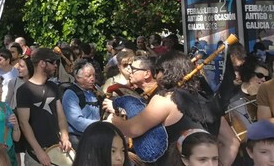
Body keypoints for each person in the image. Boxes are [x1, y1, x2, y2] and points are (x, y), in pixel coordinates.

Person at [106, 50, 239, 166]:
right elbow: (232, 143)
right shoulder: (207, 100)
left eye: (157, 71)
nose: (156, 76)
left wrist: (115, 120)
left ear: (165, 72)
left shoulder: (166, 99)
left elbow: (133, 129)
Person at [15, 47, 71, 166]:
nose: (56, 66)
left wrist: (65, 136)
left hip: (56, 149)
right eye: (53, 62)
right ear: (42, 63)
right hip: (35, 155)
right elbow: (24, 124)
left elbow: (61, 115)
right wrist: (39, 151)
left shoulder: (53, 87)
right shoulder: (24, 90)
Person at [62, 59, 100, 147]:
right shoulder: (71, 94)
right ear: (77, 77)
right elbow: (77, 121)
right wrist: (100, 125)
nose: (92, 79)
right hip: (80, 139)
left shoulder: (95, 90)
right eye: (88, 76)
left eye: (94, 75)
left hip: (96, 136)